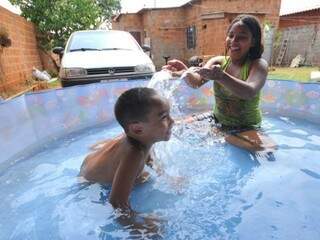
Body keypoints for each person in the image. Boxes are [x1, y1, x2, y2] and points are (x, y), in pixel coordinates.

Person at [163, 14, 276, 152]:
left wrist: (222, 77)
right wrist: (185, 71)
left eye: (242, 37)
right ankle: (220, 133)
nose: (234, 41)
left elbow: (249, 92)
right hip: (216, 118)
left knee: (268, 149)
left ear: (253, 41)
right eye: (231, 35)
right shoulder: (218, 61)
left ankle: (220, 134)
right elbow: (196, 82)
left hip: (246, 127)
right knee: (176, 127)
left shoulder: (258, 64)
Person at [80, 87, 174, 233]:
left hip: (91, 162)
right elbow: (116, 202)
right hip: (90, 180)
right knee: (141, 179)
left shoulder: (144, 138)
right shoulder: (133, 154)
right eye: (164, 117)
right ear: (137, 129)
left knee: (143, 177)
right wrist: (139, 227)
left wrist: (167, 177)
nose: (172, 121)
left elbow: (151, 159)